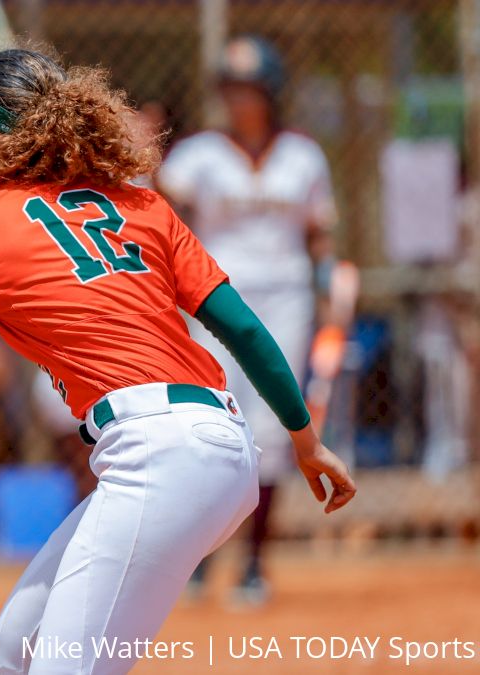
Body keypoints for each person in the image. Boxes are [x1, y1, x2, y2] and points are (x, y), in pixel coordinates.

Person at [0, 44, 356, 675]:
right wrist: (305, 439)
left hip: (156, 455)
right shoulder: (142, 205)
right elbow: (246, 331)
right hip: (218, 443)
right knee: (14, 651)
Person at [157, 35, 342, 605]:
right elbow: (163, 212)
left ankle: (254, 562)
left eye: (250, 90)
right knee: (205, 424)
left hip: (285, 299)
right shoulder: (199, 155)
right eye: (230, 90)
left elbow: (320, 236)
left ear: (271, 93)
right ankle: (194, 560)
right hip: (213, 299)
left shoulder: (303, 156)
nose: (239, 101)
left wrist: (332, 294)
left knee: (269, 431)